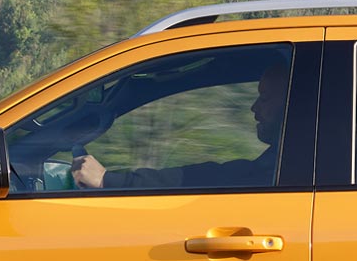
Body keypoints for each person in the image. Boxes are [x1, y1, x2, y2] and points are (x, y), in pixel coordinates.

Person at [72, 62, 288, 190]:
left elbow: (215, 177)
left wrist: (108, 180)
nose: (254, 107)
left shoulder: (293, 165)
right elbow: (220, 175)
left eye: (265, 98)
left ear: (293, 103)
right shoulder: (285, 163)